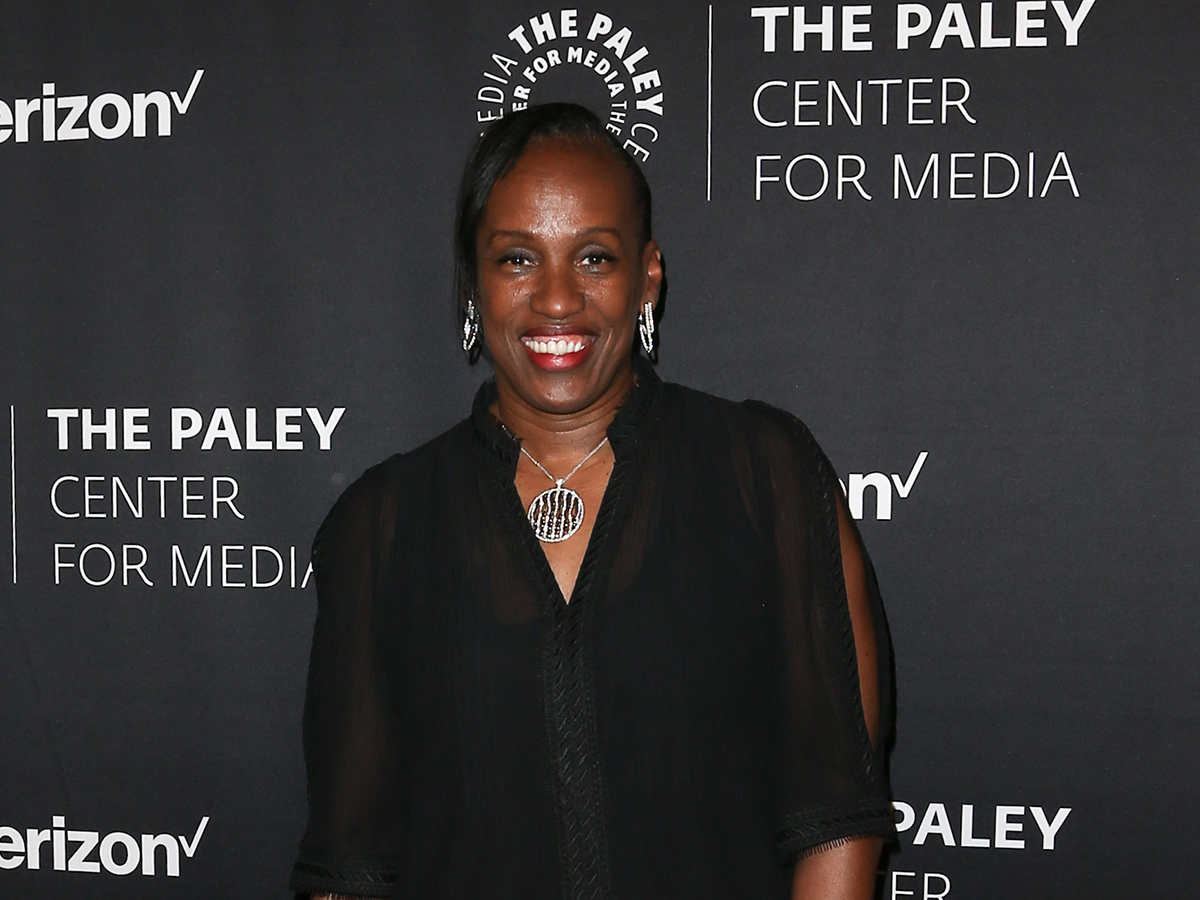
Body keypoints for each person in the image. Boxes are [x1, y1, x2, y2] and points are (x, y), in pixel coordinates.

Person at [290, 103, 894, 900]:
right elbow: (349, 863)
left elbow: (837, 817)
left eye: (595, 258)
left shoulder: (765, 476)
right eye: (517, 259)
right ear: (474, 281)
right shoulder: (383, 524)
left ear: (648, 275)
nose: (556, 299)